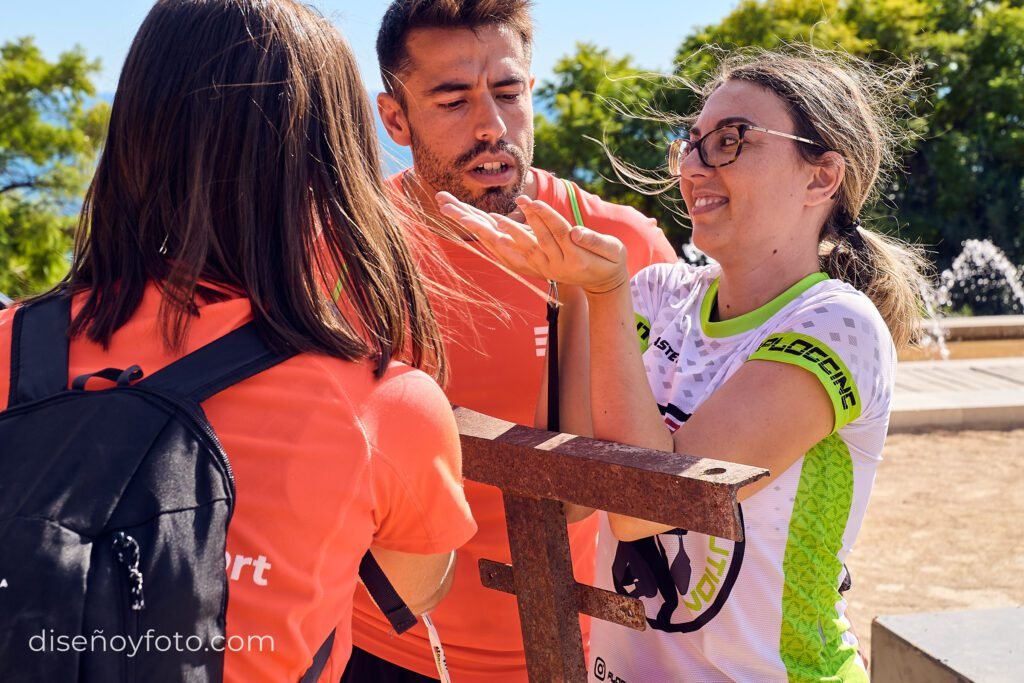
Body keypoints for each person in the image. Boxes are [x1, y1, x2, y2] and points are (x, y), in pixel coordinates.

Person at [0, 1, 477, 680]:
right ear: (332, 166)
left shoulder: (16, 341)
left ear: (137, 135)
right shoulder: (385, 402)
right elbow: (413, 586)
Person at [441, 47, 930, 682]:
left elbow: (648, 508)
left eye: (729, 142)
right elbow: (564, 499)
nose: (694, 167)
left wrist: (607, 291)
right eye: (691, 143)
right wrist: (574, 293)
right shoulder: (656, 294)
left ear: (820, 177)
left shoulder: (838, 324)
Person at [344, 1, 677, 681]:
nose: (492, 127)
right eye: (453, 100)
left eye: (507, 92)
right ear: (394, 118)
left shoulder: (624, 246)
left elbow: (665, 478)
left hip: (574, 652)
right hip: (379, 644)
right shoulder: (348, 245)